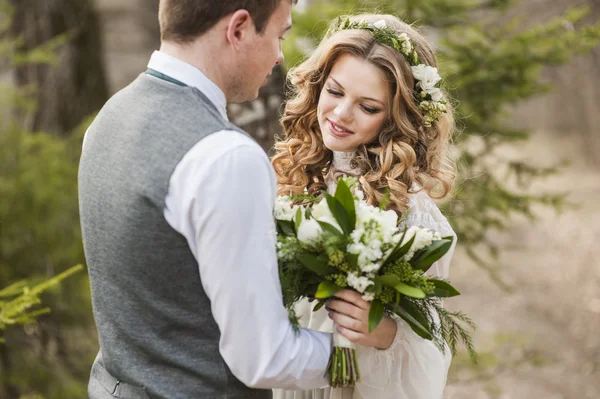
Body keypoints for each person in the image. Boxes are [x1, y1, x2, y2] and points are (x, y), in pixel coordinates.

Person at [78, 1, 332, 398]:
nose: (280, 55)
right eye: (279, 35)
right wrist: (361, 354)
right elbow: (264, 358)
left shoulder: (110, 117)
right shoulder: (226, 157)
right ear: (239, 29)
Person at [271, 14, 457, 399]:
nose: (340, 115)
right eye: (335, 92)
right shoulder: (288, 174)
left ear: (396, 118)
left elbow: (431, 343)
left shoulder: (413, 215)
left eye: (368, 107)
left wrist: (384, 334)